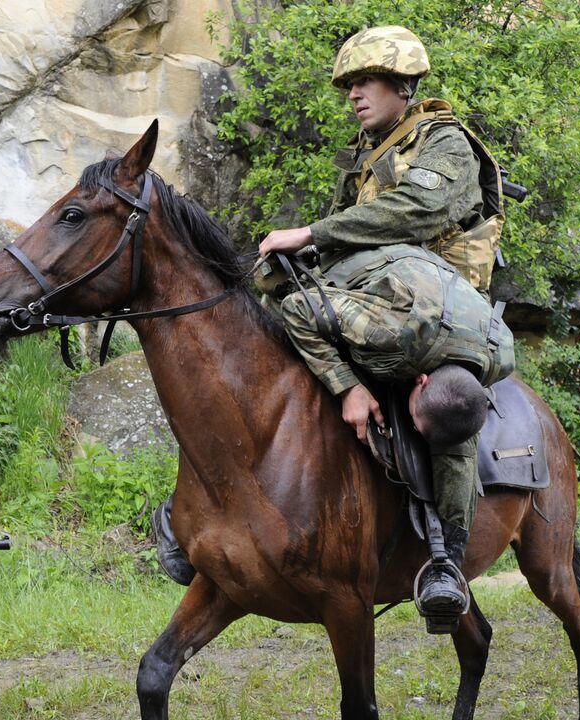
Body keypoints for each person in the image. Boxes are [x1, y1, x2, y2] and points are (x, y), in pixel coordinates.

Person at [154, 25, 513, 631]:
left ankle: (446, 558)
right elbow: (359, 233)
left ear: (403, 84)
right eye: (349, 83)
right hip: (377, 294)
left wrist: (312, 235)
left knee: (451, 404)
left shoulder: (445, 142)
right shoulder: (369, 155)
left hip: (440, 312)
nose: (353, 93)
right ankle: (209, 515)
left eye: (365, 80)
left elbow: (414, 213)